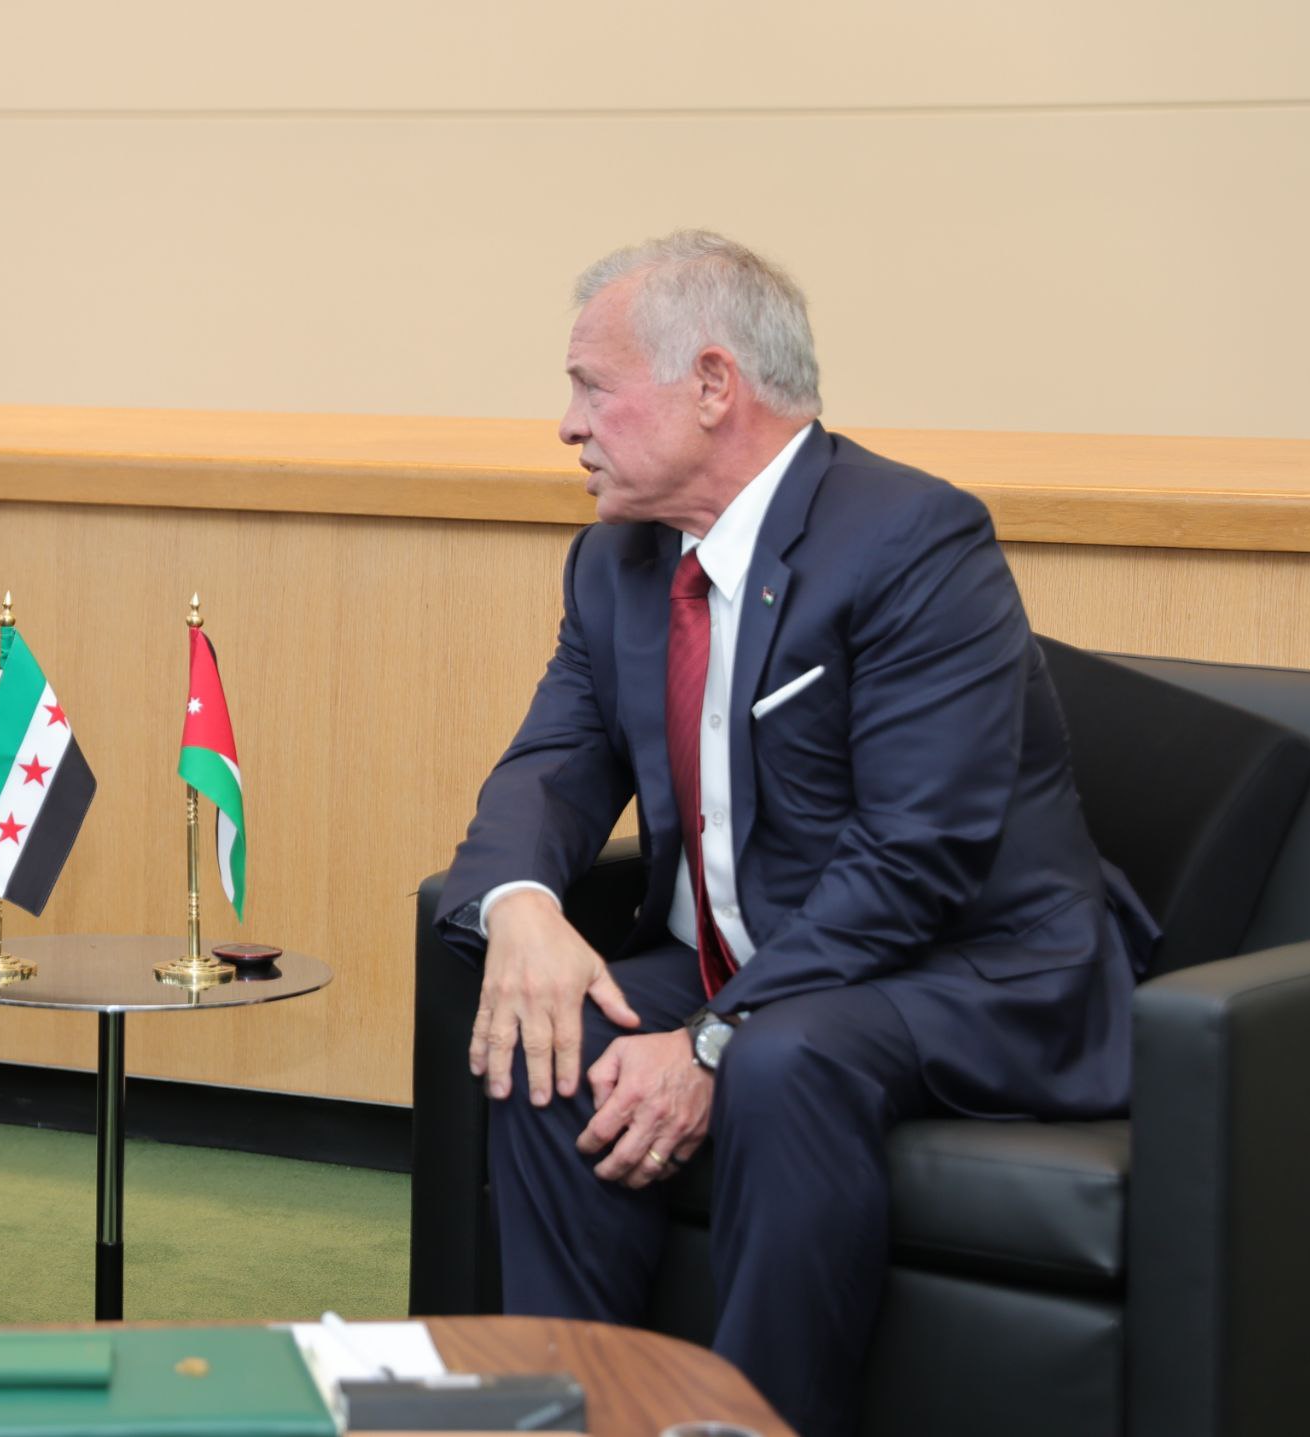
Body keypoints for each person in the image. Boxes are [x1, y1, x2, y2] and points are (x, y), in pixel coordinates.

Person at [434, 231, 1147, 1437]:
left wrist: (711, 1037)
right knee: (550, 1035)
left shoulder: (915, 540)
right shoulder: (612, 565)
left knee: (779, 1059)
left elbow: (916, 858)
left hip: (966, 972)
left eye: (591, 387)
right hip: (770, 968)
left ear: (713, 386)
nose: (566, 424)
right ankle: (571, 1413)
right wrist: (526, 912)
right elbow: (549, 769)